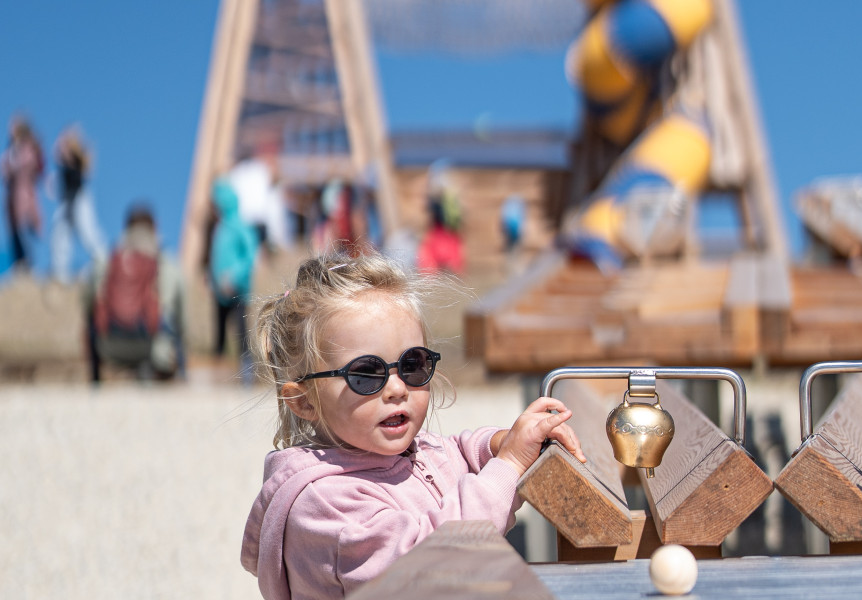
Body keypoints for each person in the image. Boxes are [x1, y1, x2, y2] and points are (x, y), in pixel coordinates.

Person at [240, 250, 589, 599]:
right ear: (304, 401)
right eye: (365, 373)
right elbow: (431, 562)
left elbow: (453, 452)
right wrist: (509, 465)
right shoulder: (325, 504)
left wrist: (501, 443)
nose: (396, 388)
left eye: (413, 364)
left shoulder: (407, 452)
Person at [86, 203, 184, 381]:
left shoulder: (106, 259)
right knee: (169, 315)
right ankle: (174, 373)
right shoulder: (165, 261)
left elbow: (88, 301)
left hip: (107, 345)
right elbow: (180, 316)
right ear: (154, 227)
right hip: (151, 347)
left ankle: (95, 380)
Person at [211, 180, 260, 379]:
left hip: (237, 289)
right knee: (219, 332)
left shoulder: (240, 226)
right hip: (219, 290)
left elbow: (249, 256)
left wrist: (234, 276)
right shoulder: (220, 227)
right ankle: (219, 373)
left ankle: (247, 374)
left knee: (241, 333)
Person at [50, 124, 106, 282]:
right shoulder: (64, 164)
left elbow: (84, 171)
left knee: (87, 231)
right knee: (60, 234)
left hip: (79, 200)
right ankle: (59, 272)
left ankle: (103, 261)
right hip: (67, 201)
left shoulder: (77, 161)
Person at [3, 114, 44, 273]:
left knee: (24, 231)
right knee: (14, 233)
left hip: (25, 196)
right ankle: (19, 263)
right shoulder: (11, 150)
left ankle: (28, 264)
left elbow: (26, 167)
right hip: (12, 199)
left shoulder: (27, 148)